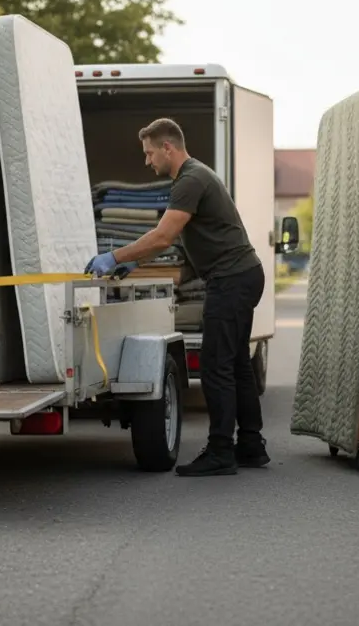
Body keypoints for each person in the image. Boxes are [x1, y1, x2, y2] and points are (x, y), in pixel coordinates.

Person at [85, 118, 266, 477]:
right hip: (243, 275)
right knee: (237, 365)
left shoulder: (190, 180)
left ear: (168, 148)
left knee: (215, 367)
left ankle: (221, 452)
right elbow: (185, 245)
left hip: (231, 280)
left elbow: (162, 237)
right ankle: (250, 445)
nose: (147, 162)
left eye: (150, 153)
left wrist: (115, 257)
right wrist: (133, 264)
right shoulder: (196, 177)